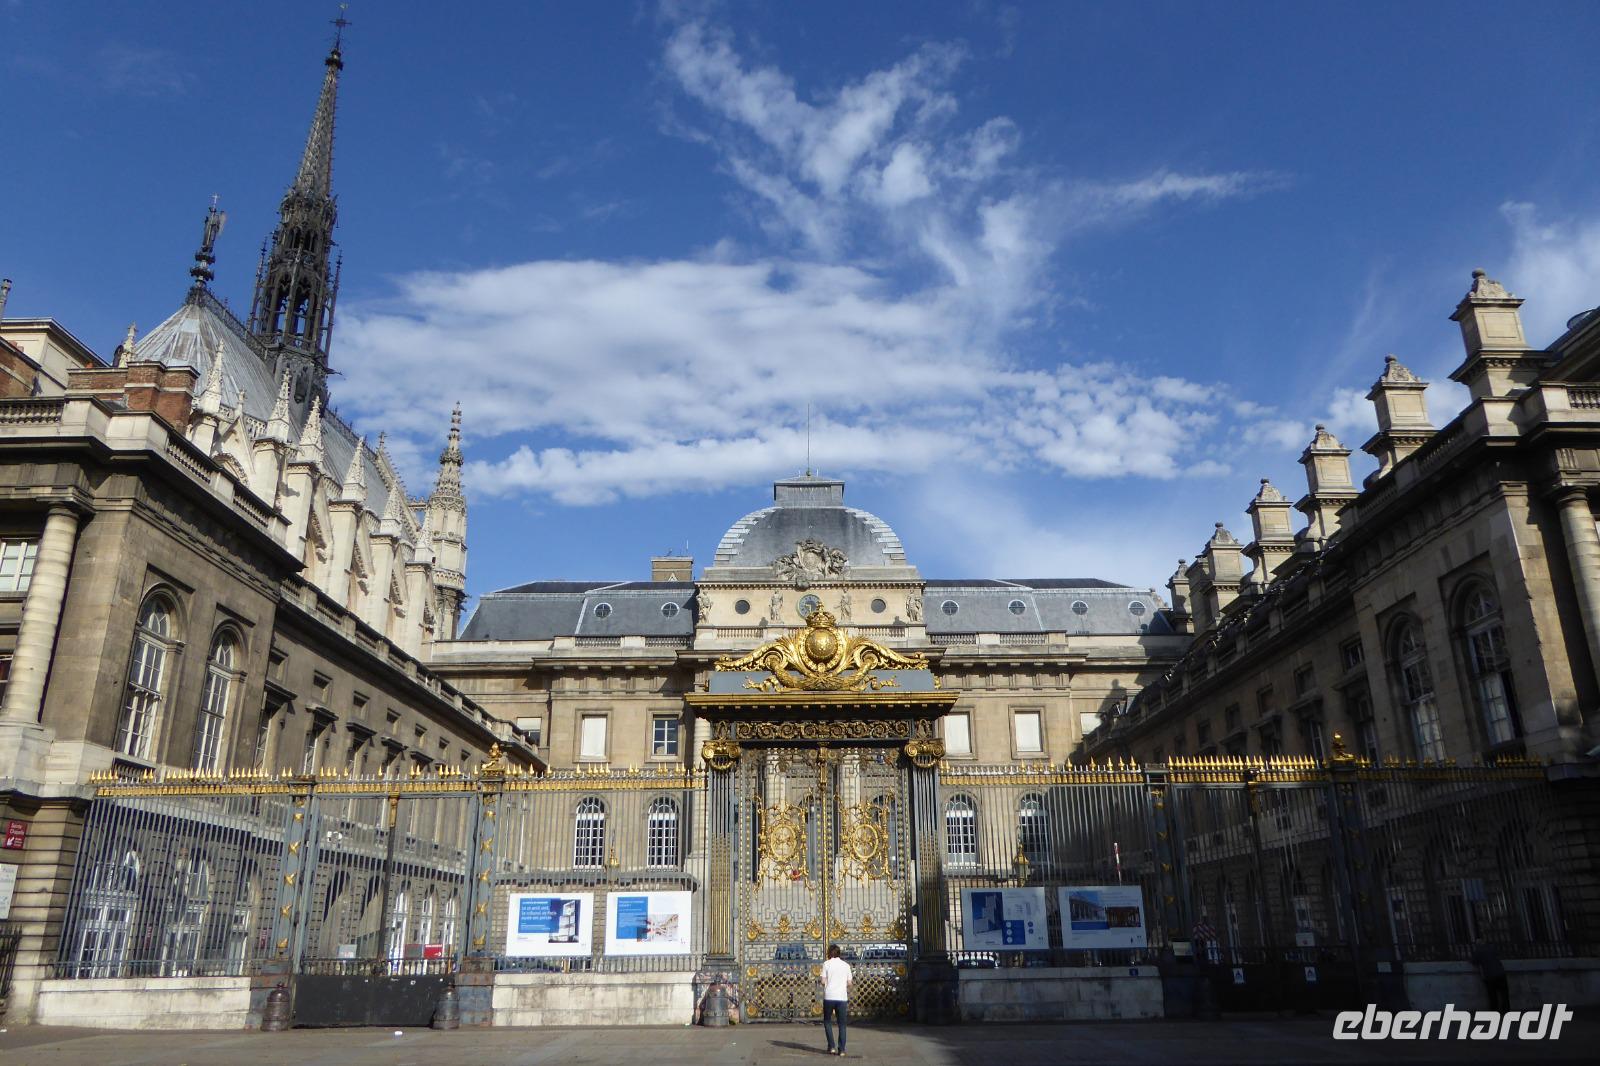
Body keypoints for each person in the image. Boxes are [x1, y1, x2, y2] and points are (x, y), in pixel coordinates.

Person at [820, 943, 853, 1056]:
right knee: (842, 1024)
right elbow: (850, 983)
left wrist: (827, 983)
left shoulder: (826, 964)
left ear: (829, 953)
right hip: (841, 997)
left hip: (829, 996)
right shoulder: (846, 965)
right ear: (839, 953)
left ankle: (831, 1046)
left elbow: (823, 981)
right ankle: (842, 1049)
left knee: (827, 1021)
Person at [1471, 939, 1509, 1011]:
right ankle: (1506, 1009)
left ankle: (1495, 1010)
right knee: (1504, 994)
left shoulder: (1478, 951)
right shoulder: (1492, 948)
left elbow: (1473, 961)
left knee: (1492, 995)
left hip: (1489, 975)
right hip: (1500, 973)